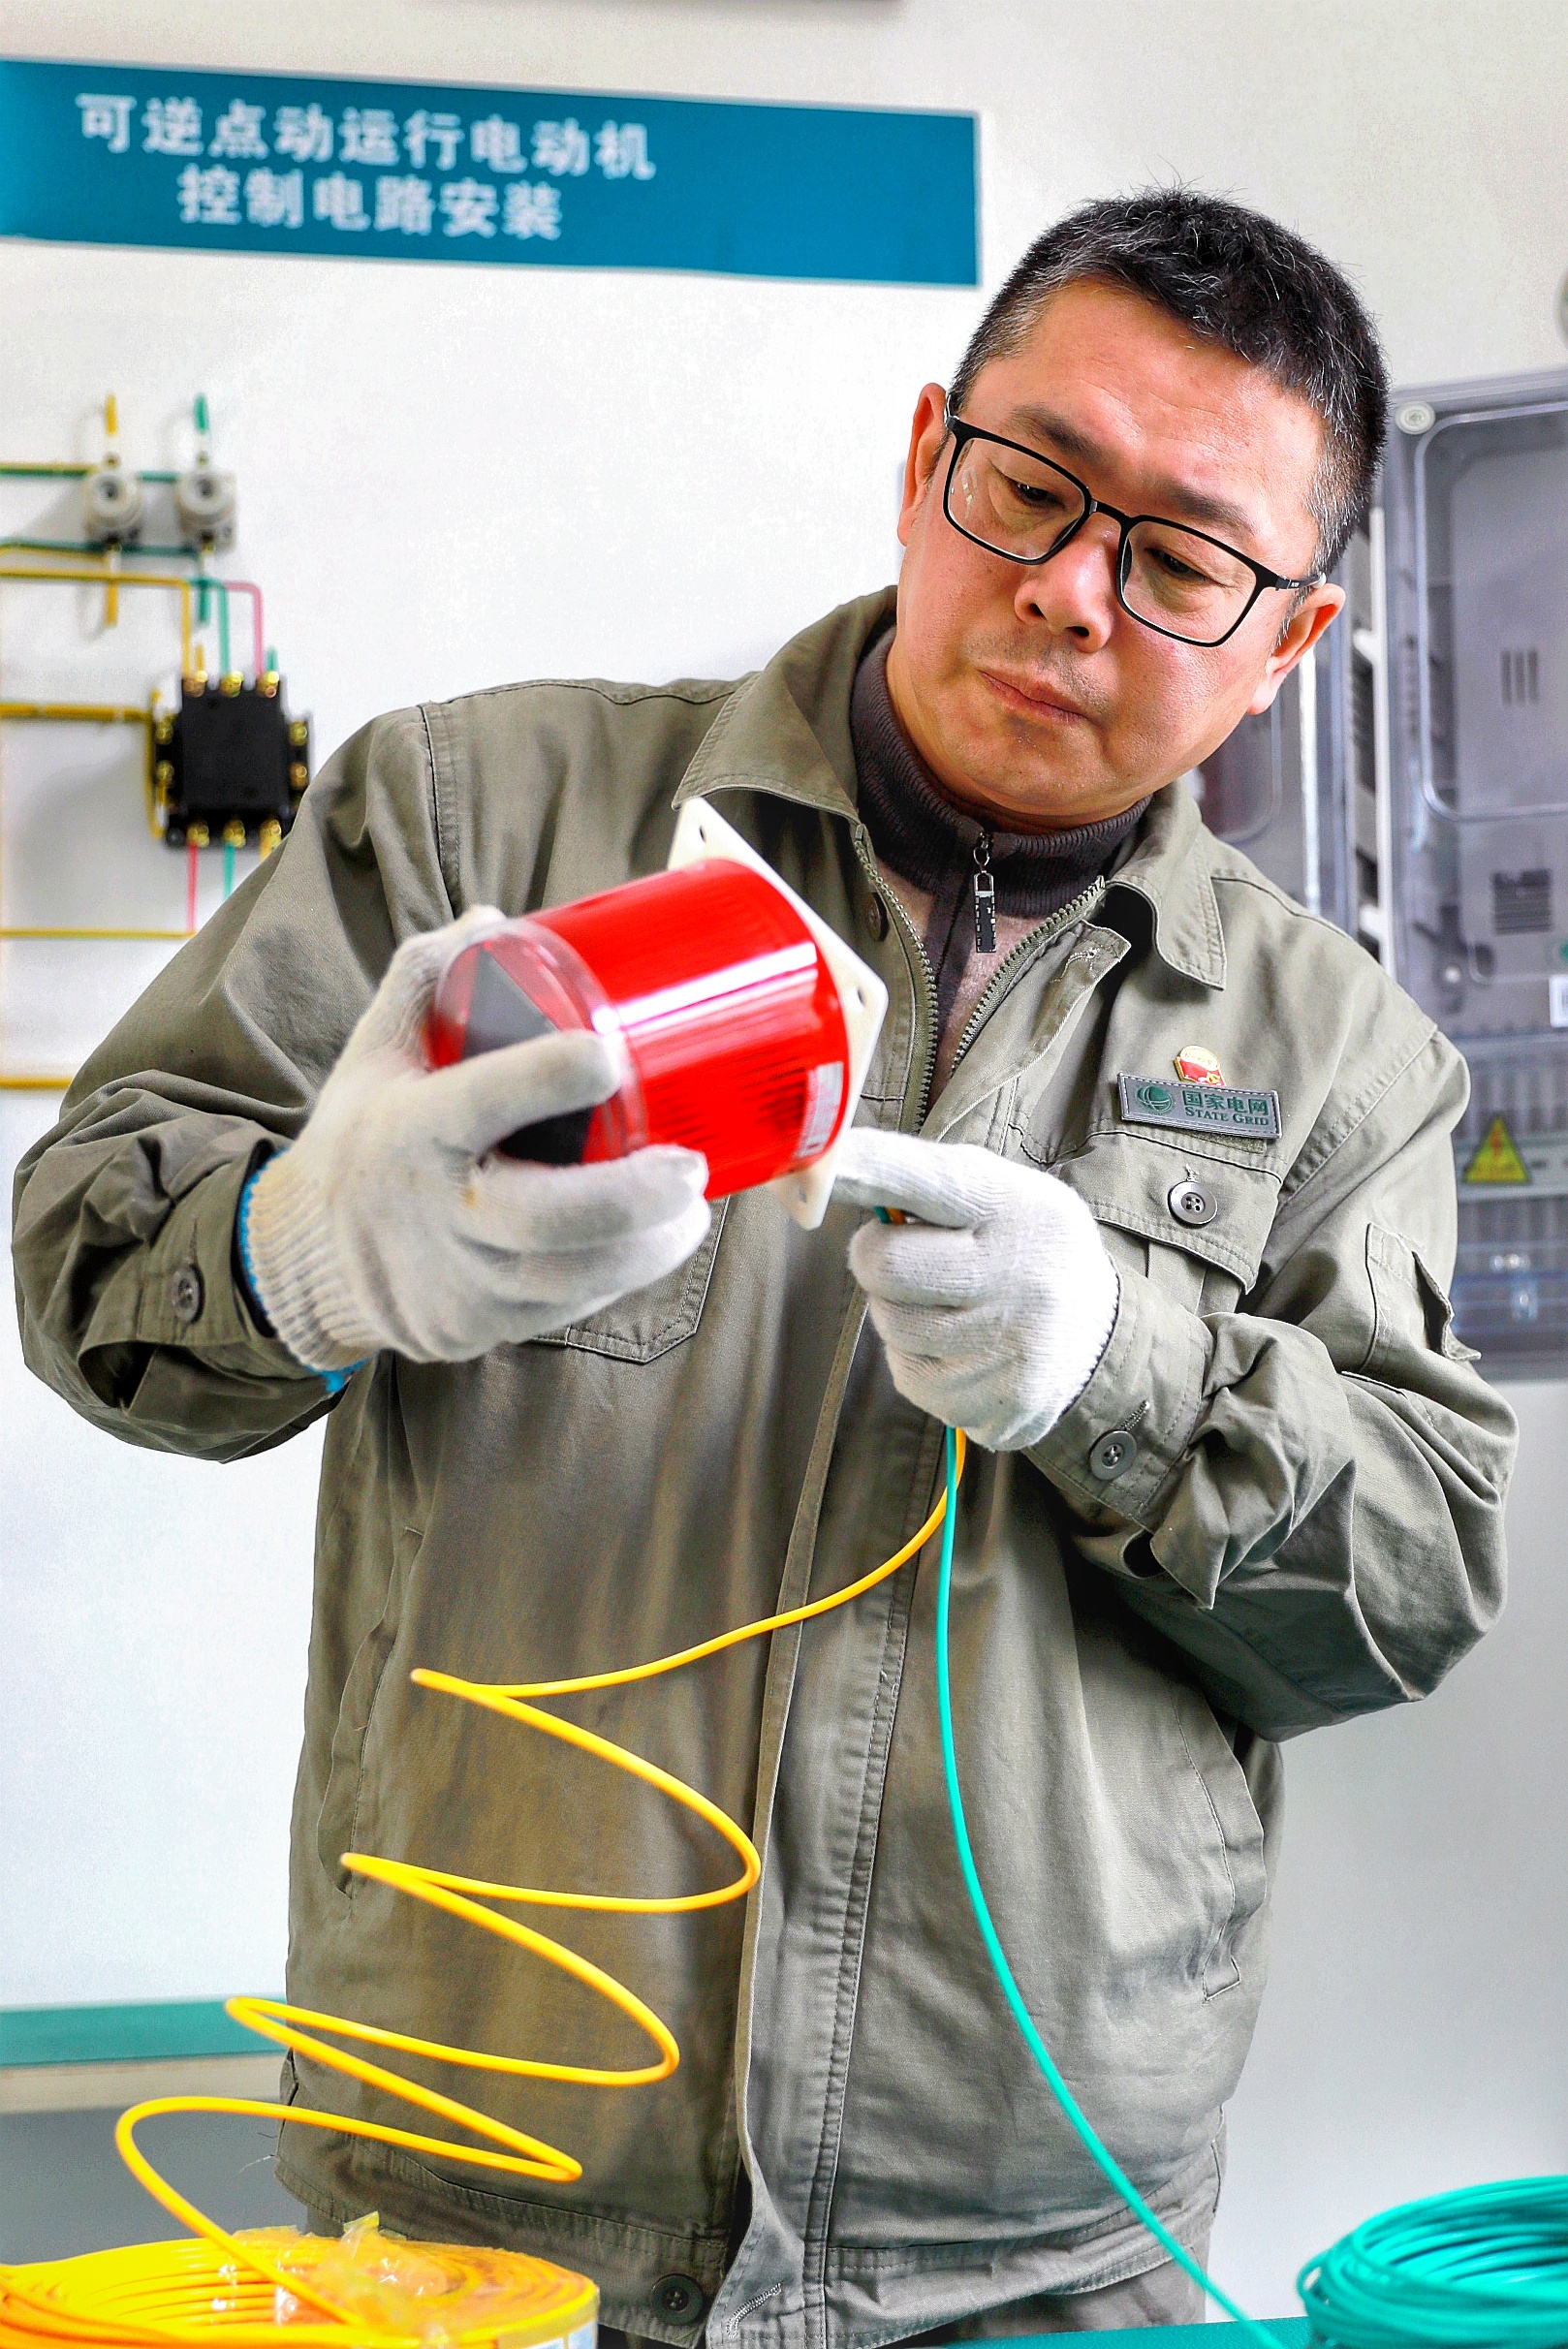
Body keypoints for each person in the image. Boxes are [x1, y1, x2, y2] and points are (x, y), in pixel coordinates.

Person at [13, 190, 1516, 2348]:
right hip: (471, 2213)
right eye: (1028, 486)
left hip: (1035, 2254)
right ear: (922, 459)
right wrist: (305, 1254)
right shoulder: (478, 821)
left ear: (1286, 640)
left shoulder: (1342, 1059)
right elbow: (86, 1253)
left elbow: (1401, 1594)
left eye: (1183, 561)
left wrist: (1116, 1366)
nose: (1068, 592)